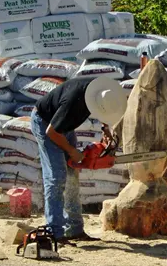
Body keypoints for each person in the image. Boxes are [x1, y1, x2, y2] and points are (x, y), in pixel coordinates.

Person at [30, 76, 127, 242]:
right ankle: (55, 232)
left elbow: (103, 107)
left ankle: (74, 229)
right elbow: (52, 132)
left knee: (72, 176)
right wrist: (71, 151)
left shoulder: (99, 91)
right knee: (57, 177)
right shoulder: (73, 102)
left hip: (64, 126)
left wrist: (105, 128)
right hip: (46, 123)